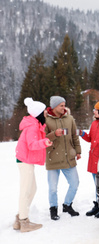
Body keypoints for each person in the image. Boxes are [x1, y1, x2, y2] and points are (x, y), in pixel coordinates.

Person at [14, 98, 53, 232]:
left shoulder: (35, 124)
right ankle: (24, 222)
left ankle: (20, 217)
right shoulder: (32, 126)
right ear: (39, 114)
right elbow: (31, 145)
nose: (46, 113)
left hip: (26, 160)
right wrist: (45, 142)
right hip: (25, 160)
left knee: (32, 189)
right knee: (26, 191)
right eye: (44, 112)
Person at [45, 96, 81, 220]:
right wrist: (54, 134)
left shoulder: (70, 119)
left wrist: (78, 151)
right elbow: (43, 139)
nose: (63, 107)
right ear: (54, 106)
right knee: (53, 188)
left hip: (68, 157)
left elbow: (74, 136)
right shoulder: (46, 120)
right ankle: (53, 209)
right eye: (61, 105)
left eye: (64, 105)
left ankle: (67, 205)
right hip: (52, 158)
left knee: (75, 183)